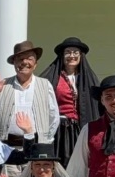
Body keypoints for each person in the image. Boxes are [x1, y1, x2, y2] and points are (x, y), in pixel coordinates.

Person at [0, 40, 59, 177]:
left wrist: (44, 142)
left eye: (29, 58)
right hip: (8, 152)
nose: (24, 62)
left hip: (35, 152)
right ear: (14, 63)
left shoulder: (45, 85)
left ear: (35, 63)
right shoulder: (3, 85)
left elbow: (53, 117)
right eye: (19, 59)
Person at [39, 37, 101, 166]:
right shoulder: (51, 78)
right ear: (62, 55)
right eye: (68, 52)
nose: (71, 56)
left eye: (75, 52)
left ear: (81, 56)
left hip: (81, 128)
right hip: (58, 130)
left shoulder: (89, 78)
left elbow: (98, 105)